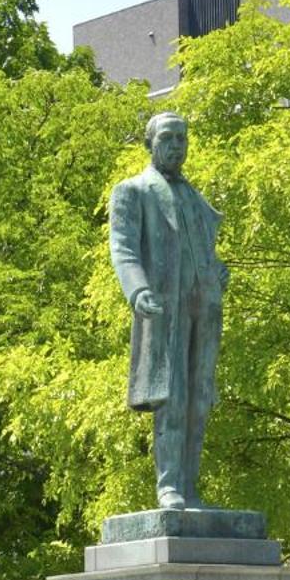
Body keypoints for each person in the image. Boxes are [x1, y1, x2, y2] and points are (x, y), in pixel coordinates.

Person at [108, 111, 229, 511]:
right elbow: (123, 249)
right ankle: (168, 487)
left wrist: (216, 272)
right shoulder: (133, 191)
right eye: (168, 137)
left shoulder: (196, 197)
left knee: (199, 398)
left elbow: (203, 250)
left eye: (182, 138)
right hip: (164, 308)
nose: (177, 145)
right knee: (171, 396)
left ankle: (190, 488)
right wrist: (138, 290)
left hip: (203, 308)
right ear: (150, 143)